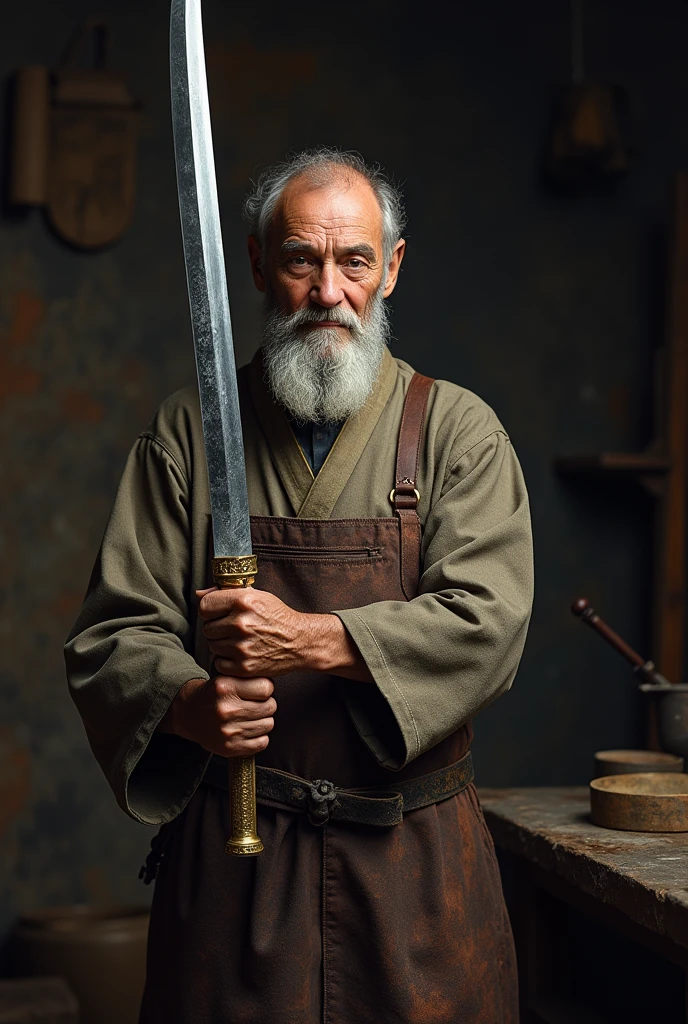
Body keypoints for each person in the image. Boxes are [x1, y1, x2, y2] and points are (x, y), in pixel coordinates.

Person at [65, 148, 534, 1024]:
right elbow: (112, 634)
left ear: (390, 268)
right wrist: (187, 705)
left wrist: (314, 640)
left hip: (417, 874)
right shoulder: (190, 433)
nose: (328, 292)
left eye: (354, 261)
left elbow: (489, 621)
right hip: (236, 866)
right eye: (300, 261)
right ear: (255, 265)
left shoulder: (456, 433)